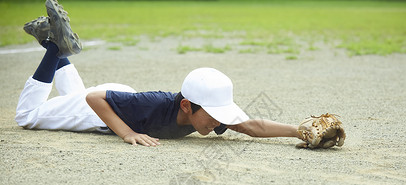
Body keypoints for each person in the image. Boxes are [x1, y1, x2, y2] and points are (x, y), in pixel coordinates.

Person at [17, 0, 301, 147]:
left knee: (74, 95)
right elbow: (94, 99)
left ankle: (54, 45)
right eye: (214, 115)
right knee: (27, 117)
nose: (218, 123)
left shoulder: (208, 116)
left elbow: (251, 126)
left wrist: (298, 132)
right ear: (187, 106)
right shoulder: (155, 104)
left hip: (123, 100)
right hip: (95, 112)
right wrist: (127, 133)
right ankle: (54, 48)